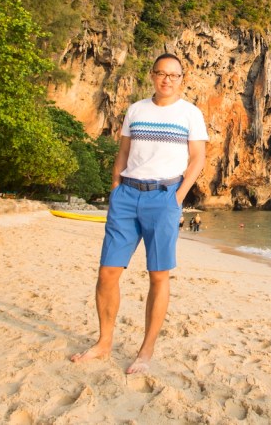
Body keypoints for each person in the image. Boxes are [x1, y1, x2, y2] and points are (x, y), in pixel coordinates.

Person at [71, 53, 208, 374]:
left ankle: (145, 351)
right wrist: (115, 187)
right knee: (107, 272)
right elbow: (123, 152)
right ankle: (104, 343)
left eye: (173, 75)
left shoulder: (190, 114)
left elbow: (198, 158)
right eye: (161, 73)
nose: (167, 80)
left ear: (182, 79)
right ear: (152, 75)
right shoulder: (136, 110)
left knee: (158, 275)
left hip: (164, 197)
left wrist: (178, 197)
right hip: (127, 196)